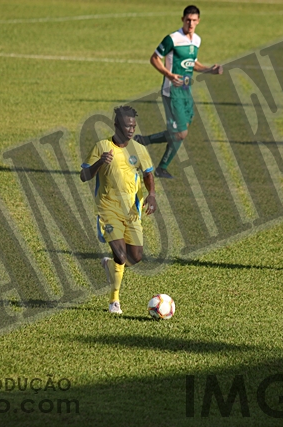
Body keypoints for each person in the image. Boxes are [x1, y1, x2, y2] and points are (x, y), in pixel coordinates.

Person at [80, 106, 157, 314]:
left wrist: (151, 194)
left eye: (133, 126)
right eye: (127, 126)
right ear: (116, 126)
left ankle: (110, 266)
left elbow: (148, 174)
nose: (131, 130)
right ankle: (114, 301)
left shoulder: (139, 150)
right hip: (108, 209)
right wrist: (99, 162)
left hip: (131, 212)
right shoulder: (102, 147)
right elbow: (84, 175)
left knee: (135, 257)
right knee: (121, 256)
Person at [134, 5, 223, 179]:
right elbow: (154, 58)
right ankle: (161, 166)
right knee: (181, 133)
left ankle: (144, 142)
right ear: (182, 19)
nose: (191, 23)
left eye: (194, 20)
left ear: (198, 21)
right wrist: (169, 74)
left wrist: (209, 70)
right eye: (188, 20)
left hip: (186, 91)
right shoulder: (173, 39)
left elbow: (193, 63)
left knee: (179, 132)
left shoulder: (196, 40)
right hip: (171, 92)